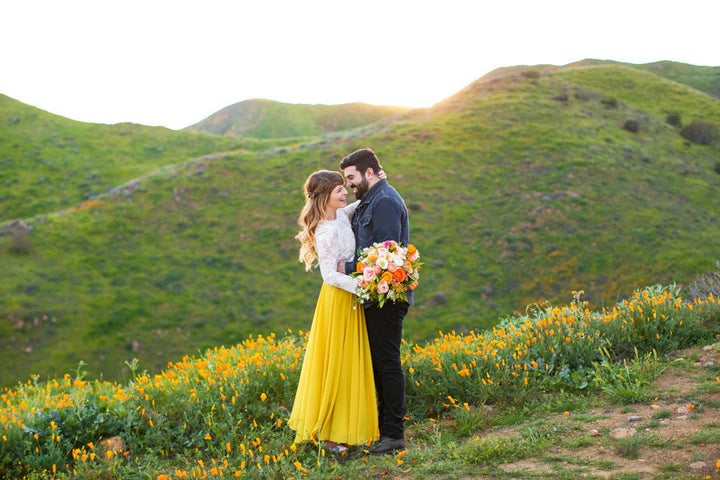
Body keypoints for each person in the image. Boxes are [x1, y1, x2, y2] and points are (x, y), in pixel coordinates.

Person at [288, 169, 379, 455]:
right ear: (324, 196)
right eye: (338, 189)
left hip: (350, 299)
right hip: (338, 300)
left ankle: (344, 429)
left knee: (348, 363)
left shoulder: (340, 214)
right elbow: (329, 276)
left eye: (343, 187)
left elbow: (359, 204)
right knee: (335, 366)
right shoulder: (325, 231)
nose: (344, 192)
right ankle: (327, 434)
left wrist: (377, 182)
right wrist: (365, 287)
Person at [340, 148, 411, 455]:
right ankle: (386, 431)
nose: (350, 184)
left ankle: (394, 435)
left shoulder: (383, 202)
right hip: (376, 295)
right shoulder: (370, 200)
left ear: (369, 173)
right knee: (381, 365)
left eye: (352, 177)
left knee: (387, 364)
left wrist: (349, 268)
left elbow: (387, 255)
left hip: (387, 297)